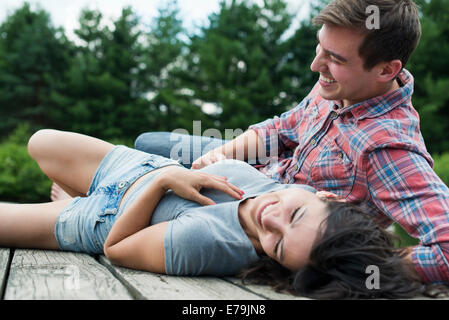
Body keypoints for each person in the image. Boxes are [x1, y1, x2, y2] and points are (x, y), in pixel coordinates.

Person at [134, 0, 449, 285]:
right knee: (150, 143)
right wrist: (219, 154)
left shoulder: (388, 148)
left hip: (266, 224)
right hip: (259, 174)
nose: (316, 66)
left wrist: (355, 266)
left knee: (140, 184)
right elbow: (282, 129)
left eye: (334, 59)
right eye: (320, 48)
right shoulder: (340, 84)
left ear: (386, 70)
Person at [0, 129, 424, 299]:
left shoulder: (208, 245)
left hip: (102, 219)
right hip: (136, 167)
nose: (268, 218)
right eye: (293, 214)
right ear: (325, 196)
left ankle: (66, 208)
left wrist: (166, 185)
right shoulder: (285, 187)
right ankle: (69, 196)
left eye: (274, 242)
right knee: (39, 142)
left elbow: (118, 248)